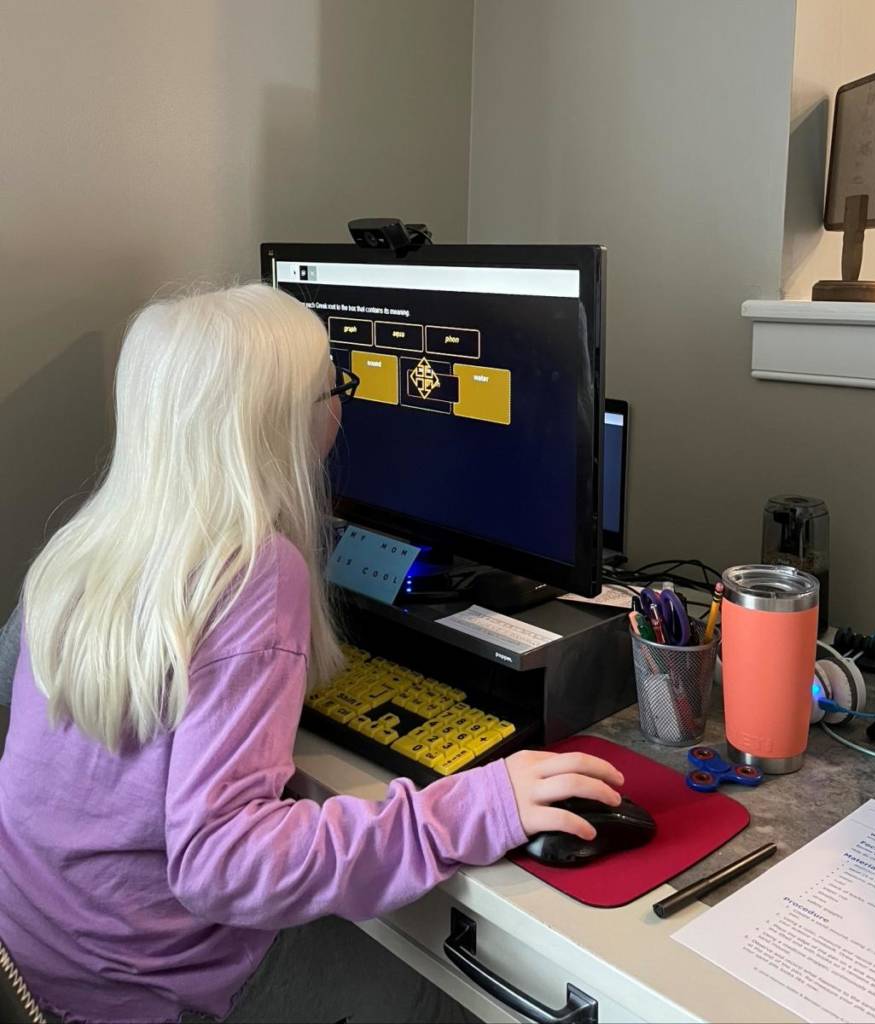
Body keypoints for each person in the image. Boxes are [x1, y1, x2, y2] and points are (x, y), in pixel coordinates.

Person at [0, 285, 624, 1024]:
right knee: (466, 991)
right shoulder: (253, 572)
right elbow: (222, 865)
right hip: (146, 988)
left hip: (33, 949)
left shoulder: (85, 542)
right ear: (281, 423)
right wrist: (473, 807)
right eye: (338, 385)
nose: (344, 405)